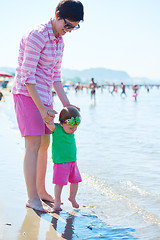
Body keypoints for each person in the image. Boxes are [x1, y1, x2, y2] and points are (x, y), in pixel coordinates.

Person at [12, 0, 84, 213]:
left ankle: (41, 191)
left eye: (74, 27)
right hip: (27, 94)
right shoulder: (37, 34)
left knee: (44, 144)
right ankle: (32, 198)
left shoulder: (60, 42)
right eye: (68, 25)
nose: (69, 30)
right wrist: (41, 109)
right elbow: (27, 76)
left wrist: (66, 104)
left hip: (45, 98)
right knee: (33, 145)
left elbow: (55, 76)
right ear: (57, 14)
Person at [46, 106, 82, 211]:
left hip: (73, 162)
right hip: (60, 163)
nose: (73, 130)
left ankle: (72, 197)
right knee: (59, 183)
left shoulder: (71, 130)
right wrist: (49, 115)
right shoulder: (56, 128)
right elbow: (48, 123)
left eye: (75, 127)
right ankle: (57, 201)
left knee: (76, 181)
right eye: (71, 128)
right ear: (62, 123)